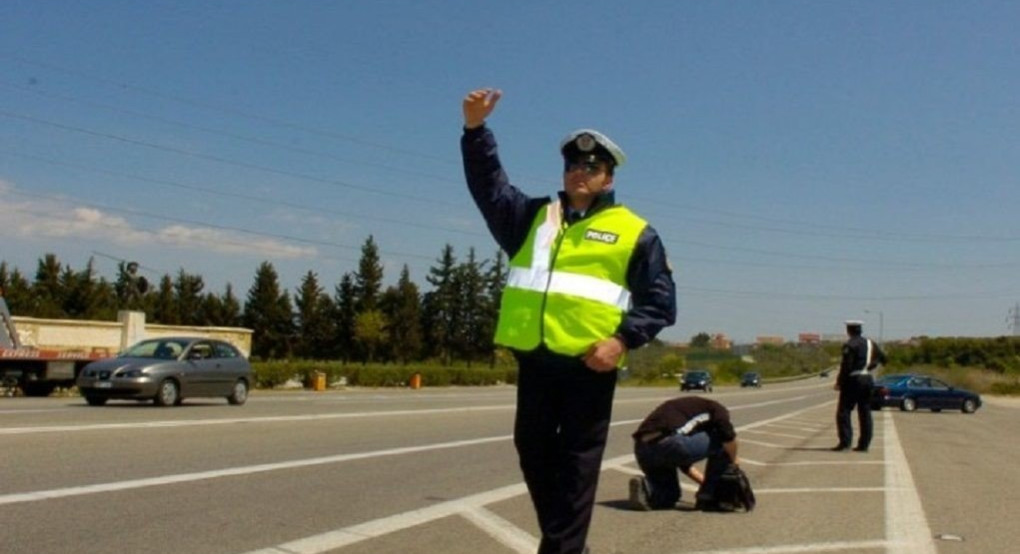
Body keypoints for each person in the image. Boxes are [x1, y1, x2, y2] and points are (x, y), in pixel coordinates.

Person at [461, 88, 676, 554]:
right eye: (573, 166)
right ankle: (568, 546)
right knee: (534, 455)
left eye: (591, 167)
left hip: (589, 367)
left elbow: (660, 302)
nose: (580, 173)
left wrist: (621, 340)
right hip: (535, 361)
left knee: (578, 469)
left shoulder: (636, 232)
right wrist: (476, 131)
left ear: (608, 177)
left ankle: (561, 549)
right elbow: (488, 186)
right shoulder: (532, 217)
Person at [629, 396, 739, 511]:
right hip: (668, 443)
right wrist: (734, 461)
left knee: (669, 497)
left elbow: (684, 463)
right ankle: (708, 498)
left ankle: (647, 489)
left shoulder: (685, 412)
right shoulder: (717, 409)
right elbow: (728, 436)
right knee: (723, 444)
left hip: (643, 450)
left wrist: (704, 483)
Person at [833, 320, 887, 452]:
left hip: (853, 380)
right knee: (865, 412)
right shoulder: (871, 343)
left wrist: (840, 382)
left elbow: (846, 366)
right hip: (868, 379)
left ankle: (845, 443)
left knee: (844, 412)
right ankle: (864, 445)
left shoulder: (850, 344)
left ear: (849, 331)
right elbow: (884, 359)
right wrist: (870, 366)